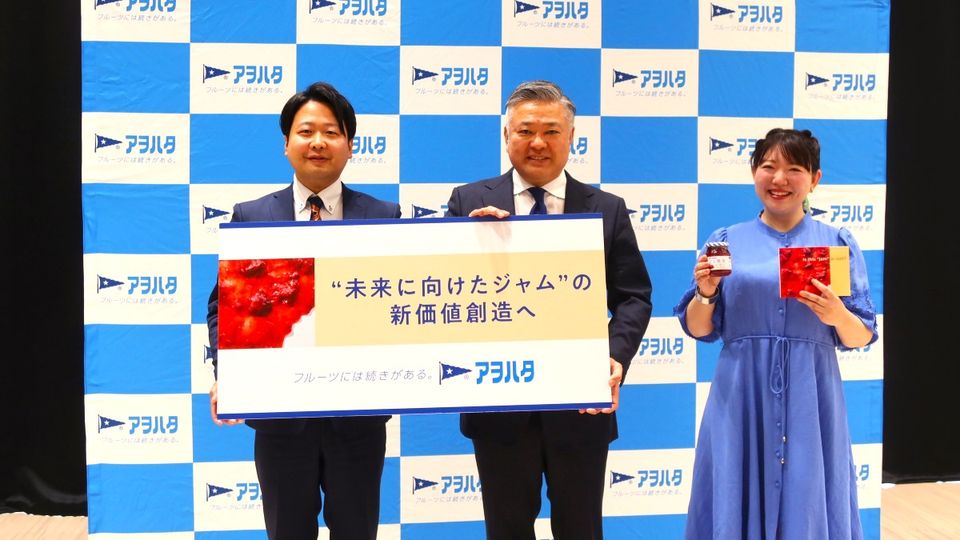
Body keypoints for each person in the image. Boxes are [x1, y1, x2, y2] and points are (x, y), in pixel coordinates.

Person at [445, 80, 653, 540]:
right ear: (506, 135)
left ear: (572, 136)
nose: (537, 142)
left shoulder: (606, 208)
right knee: (506, 530)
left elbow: (633, 296)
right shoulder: (468, 203)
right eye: (525, 130)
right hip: (499, 405)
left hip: (581, 403)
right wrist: (468, 245)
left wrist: (614, 357)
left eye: (551, 131)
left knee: (581, 529)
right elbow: (443, 294)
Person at [206, 81, 401, 540]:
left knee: (357, 531)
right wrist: (228, 371)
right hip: (279, 416)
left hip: (357, 415)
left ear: (350, 146)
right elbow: (224, 307)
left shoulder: (383, 215)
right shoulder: (252, 215)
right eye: (306, 131)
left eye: (331, 132)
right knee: (287, 531)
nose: (318, 142)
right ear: (286, 143)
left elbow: (403, 302)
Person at [676, 128, 878, 540]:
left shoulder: (835, 242)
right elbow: (698, 327)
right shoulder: (725, 240)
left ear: (815, 179)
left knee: (809, 495)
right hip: (741, 391)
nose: (779, 179)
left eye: (794, 169)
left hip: (812, 392)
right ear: (754, 172)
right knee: (736, 486)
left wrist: (837, 314)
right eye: (768, 166)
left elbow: (860, 335)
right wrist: (706, 292)